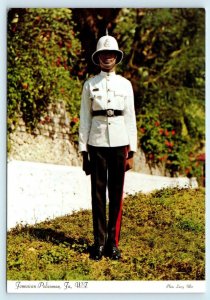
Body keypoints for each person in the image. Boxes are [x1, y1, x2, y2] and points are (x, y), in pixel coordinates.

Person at [79, 30, 137, 260]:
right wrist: (84, 152)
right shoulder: (89, 85)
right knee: (97, 194)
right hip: (97, 142)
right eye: (103, 54)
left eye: (111, 53)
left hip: (120, 142)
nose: (107, 57)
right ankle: (98, 243)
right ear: (98, 57)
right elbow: (85, 118)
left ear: (116, 56)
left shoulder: (125, 84)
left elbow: (131, 117)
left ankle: (113, 243)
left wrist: (131, 151)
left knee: (116, 194)